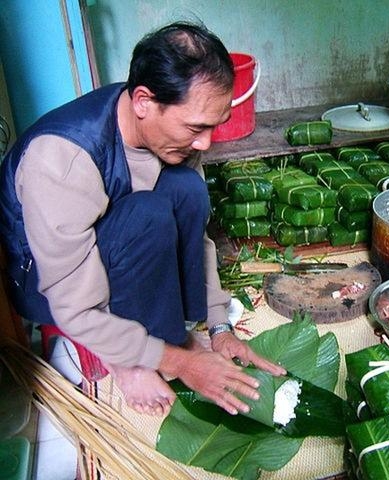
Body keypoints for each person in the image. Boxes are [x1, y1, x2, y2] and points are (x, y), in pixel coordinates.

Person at [0, 21, 285, 416]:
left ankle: (168, 336)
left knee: (187, 189)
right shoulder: (62, 159)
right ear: (143, 102)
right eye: (196, 128)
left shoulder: (174, 136)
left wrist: (220, 327)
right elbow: (74, 308)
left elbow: (197, 235)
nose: (205, 142)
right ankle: (129, 361)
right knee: (146, 215)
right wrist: (180, 362)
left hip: (118, 240)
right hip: (49, 284)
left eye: (212, 127)